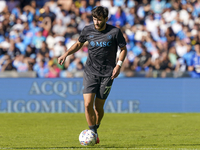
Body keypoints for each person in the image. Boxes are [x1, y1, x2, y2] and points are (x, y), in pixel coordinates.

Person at [58, 6, 127, 144]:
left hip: (108, 74)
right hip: (90, 71)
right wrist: (66, 53)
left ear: (106, 19)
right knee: (87, 104)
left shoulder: (114, 32)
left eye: (99, 19)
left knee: (98, 107)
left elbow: (123, 48)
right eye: (94, 19)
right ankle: (93, 133)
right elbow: (79, 44)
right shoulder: (87, 30)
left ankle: (95, 129)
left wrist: (118, 65)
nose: (96, 22)